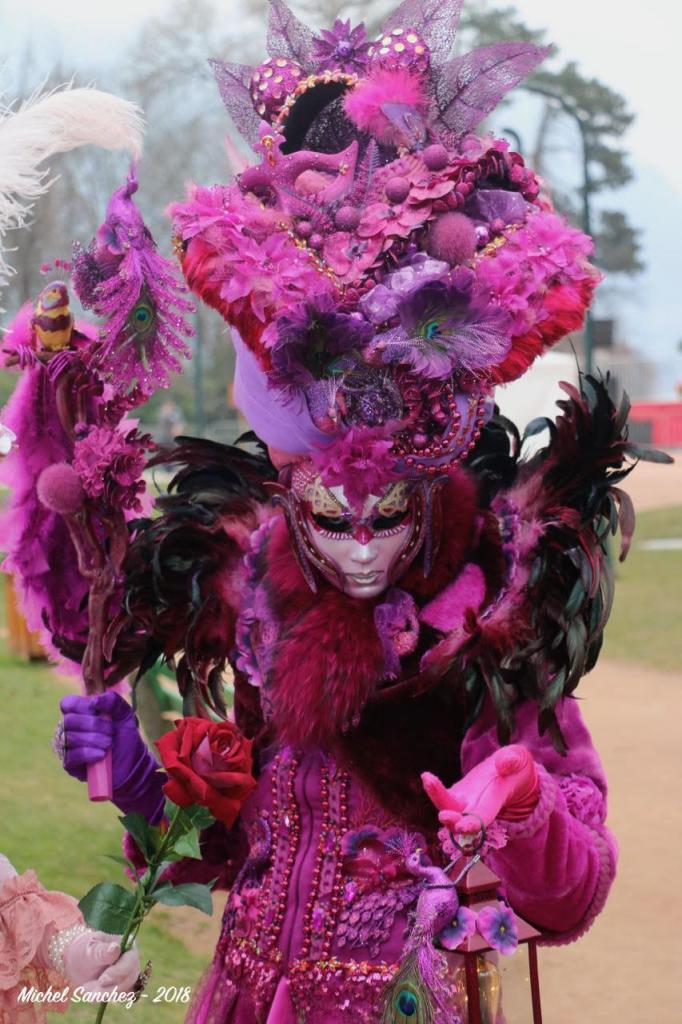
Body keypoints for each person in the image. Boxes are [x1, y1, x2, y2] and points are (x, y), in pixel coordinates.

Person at [43, 1, 660, 1020]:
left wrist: (523, 798)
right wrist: (135, 780)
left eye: (389, 522)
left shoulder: (485, 625)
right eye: (335, 521)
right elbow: (233, 851)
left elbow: (573, 889)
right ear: (291, 493)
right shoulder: (256, 604)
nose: (363, 550)